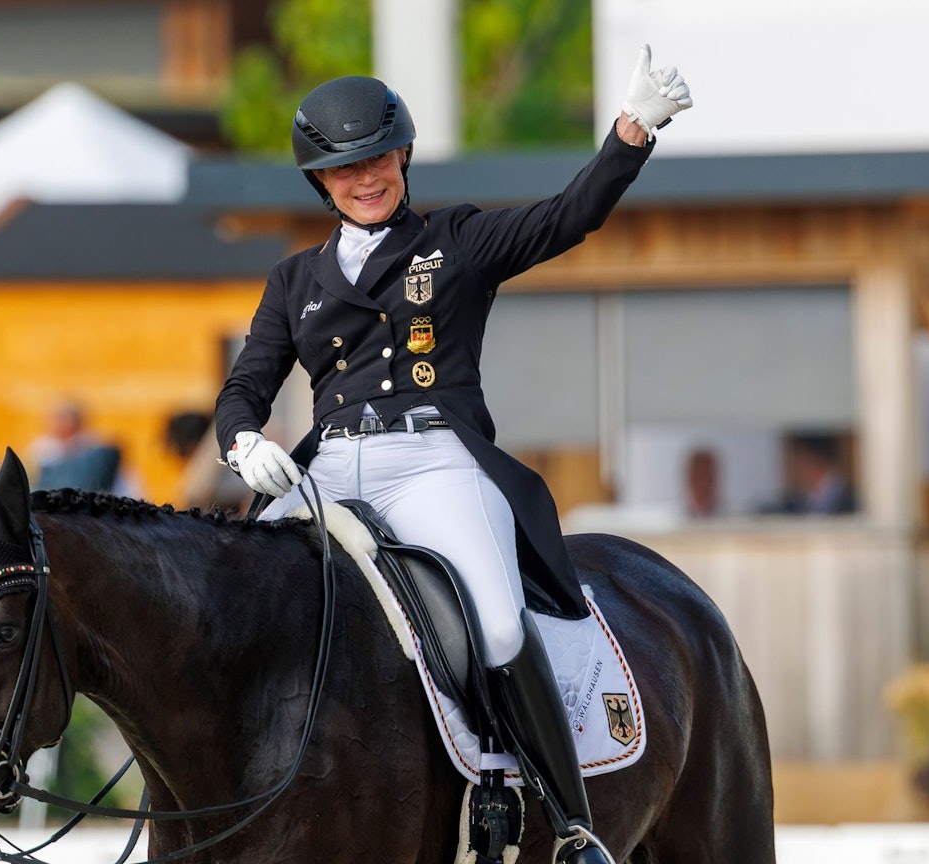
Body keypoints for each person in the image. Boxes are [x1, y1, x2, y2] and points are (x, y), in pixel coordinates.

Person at [214, 46, 690, 863]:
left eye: (378, 160)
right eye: (344, 169)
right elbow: (245, 386)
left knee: (500, 626)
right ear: (320, 183)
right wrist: (242, 442)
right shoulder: (294, 279)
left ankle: (568, 820)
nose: (366, 179)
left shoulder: (456, 240)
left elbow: (566, 216)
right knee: (237, 604)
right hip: (326, 467)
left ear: (401, 156)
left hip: (433, 459)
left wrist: (631, 130)